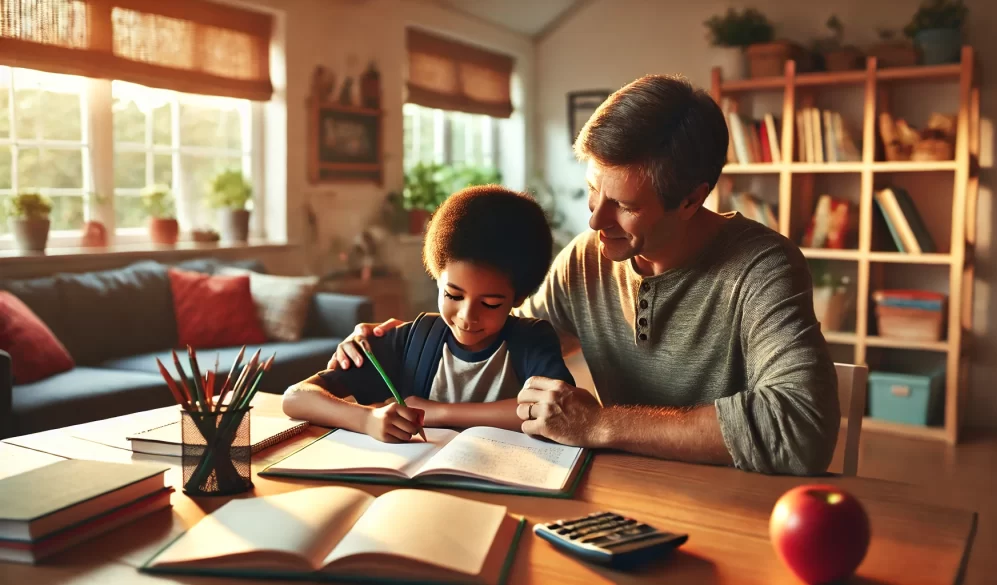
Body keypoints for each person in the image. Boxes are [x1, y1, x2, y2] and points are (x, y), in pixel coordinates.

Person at [328, 74, 840, 475]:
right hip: (613, 489)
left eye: (622, 204)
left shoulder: (761, 267)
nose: (594, 220)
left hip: (727, 498)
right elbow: (498, 332)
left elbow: (801, 430)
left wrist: (600, 423)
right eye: (593, 190)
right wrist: (376, 347)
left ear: (691, 198)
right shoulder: (587, 258)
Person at [283, 185, 575, 443]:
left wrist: (439, 412)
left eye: (489, 303)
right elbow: (296, 398)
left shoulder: (532, 341)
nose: (466, 316)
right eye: (453, 295)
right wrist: (366, 420)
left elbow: (557, 410)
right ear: (437, 278)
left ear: (519, 296)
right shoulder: (411, 341)